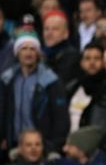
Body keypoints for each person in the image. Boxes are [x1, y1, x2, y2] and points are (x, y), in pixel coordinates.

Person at [1, 28, 69, 156]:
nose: (28, 53)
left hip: (41, 148)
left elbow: (61, 118)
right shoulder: (7, 80)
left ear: (38, 53)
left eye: (32, 49)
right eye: (24, 48)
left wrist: (53, 147)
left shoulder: (51, 81)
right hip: (13, 146)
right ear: (17, 53)